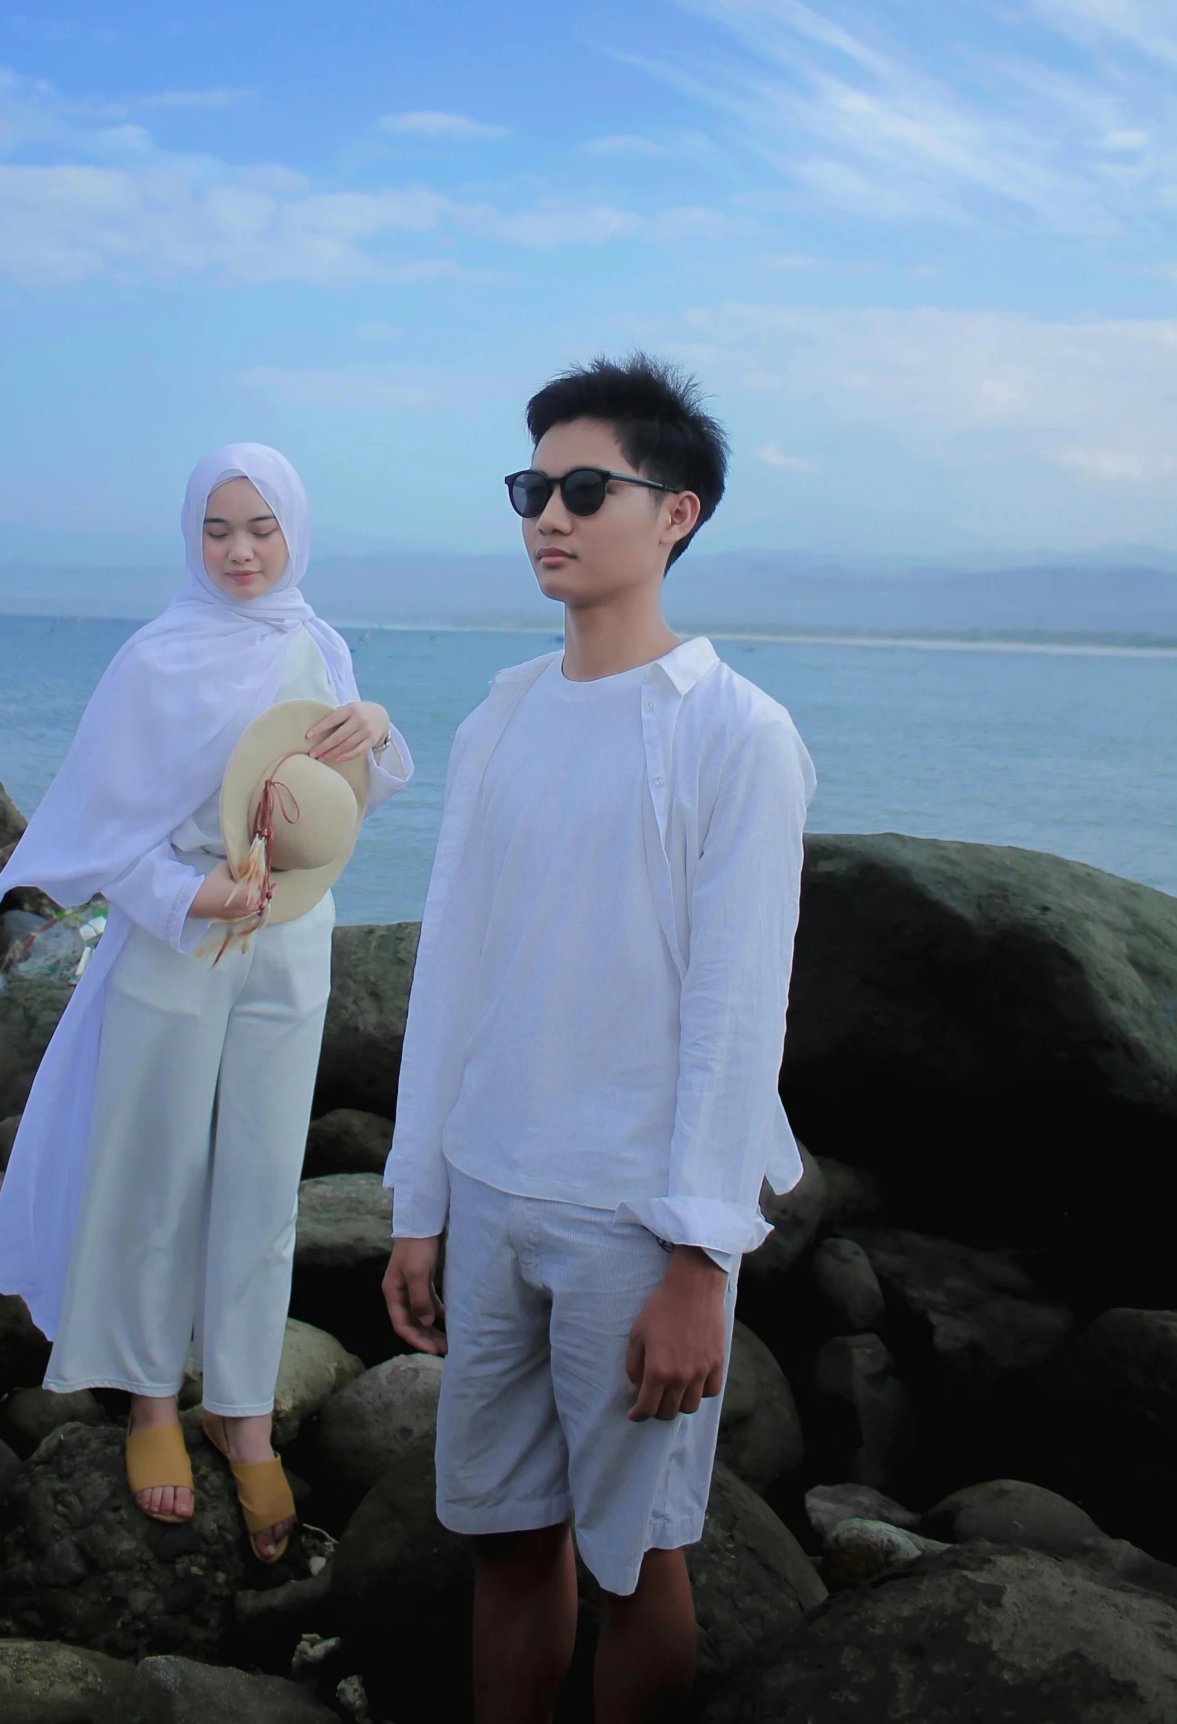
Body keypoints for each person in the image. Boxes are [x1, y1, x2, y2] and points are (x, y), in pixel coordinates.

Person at [381, 356, 813, 1724]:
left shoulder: (734, 734)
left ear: (673, 512)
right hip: (493, 1186)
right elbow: (450, 966)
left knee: (637, 1559)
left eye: (580, 488)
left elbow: (738, 1008)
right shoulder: (500, 716)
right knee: (506, 1534)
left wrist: (699, 1253)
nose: (544, 517)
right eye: (529, 489)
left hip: (633, 1219)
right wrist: (418, 1200)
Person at [0, 443, 412, 1561]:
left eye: (261, 529)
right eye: (219, 528)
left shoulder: (315, 639)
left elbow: (339, 796)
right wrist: (189, 894)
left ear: (295, 534)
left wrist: (376, 726)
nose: (239, 550)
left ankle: (244, 1405)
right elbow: (98, 831)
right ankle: (149, 1401)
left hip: (291, 937)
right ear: (191, 533)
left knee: (265, 1179)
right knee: (153, 1170)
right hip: (179, 942)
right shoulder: (154, 658)